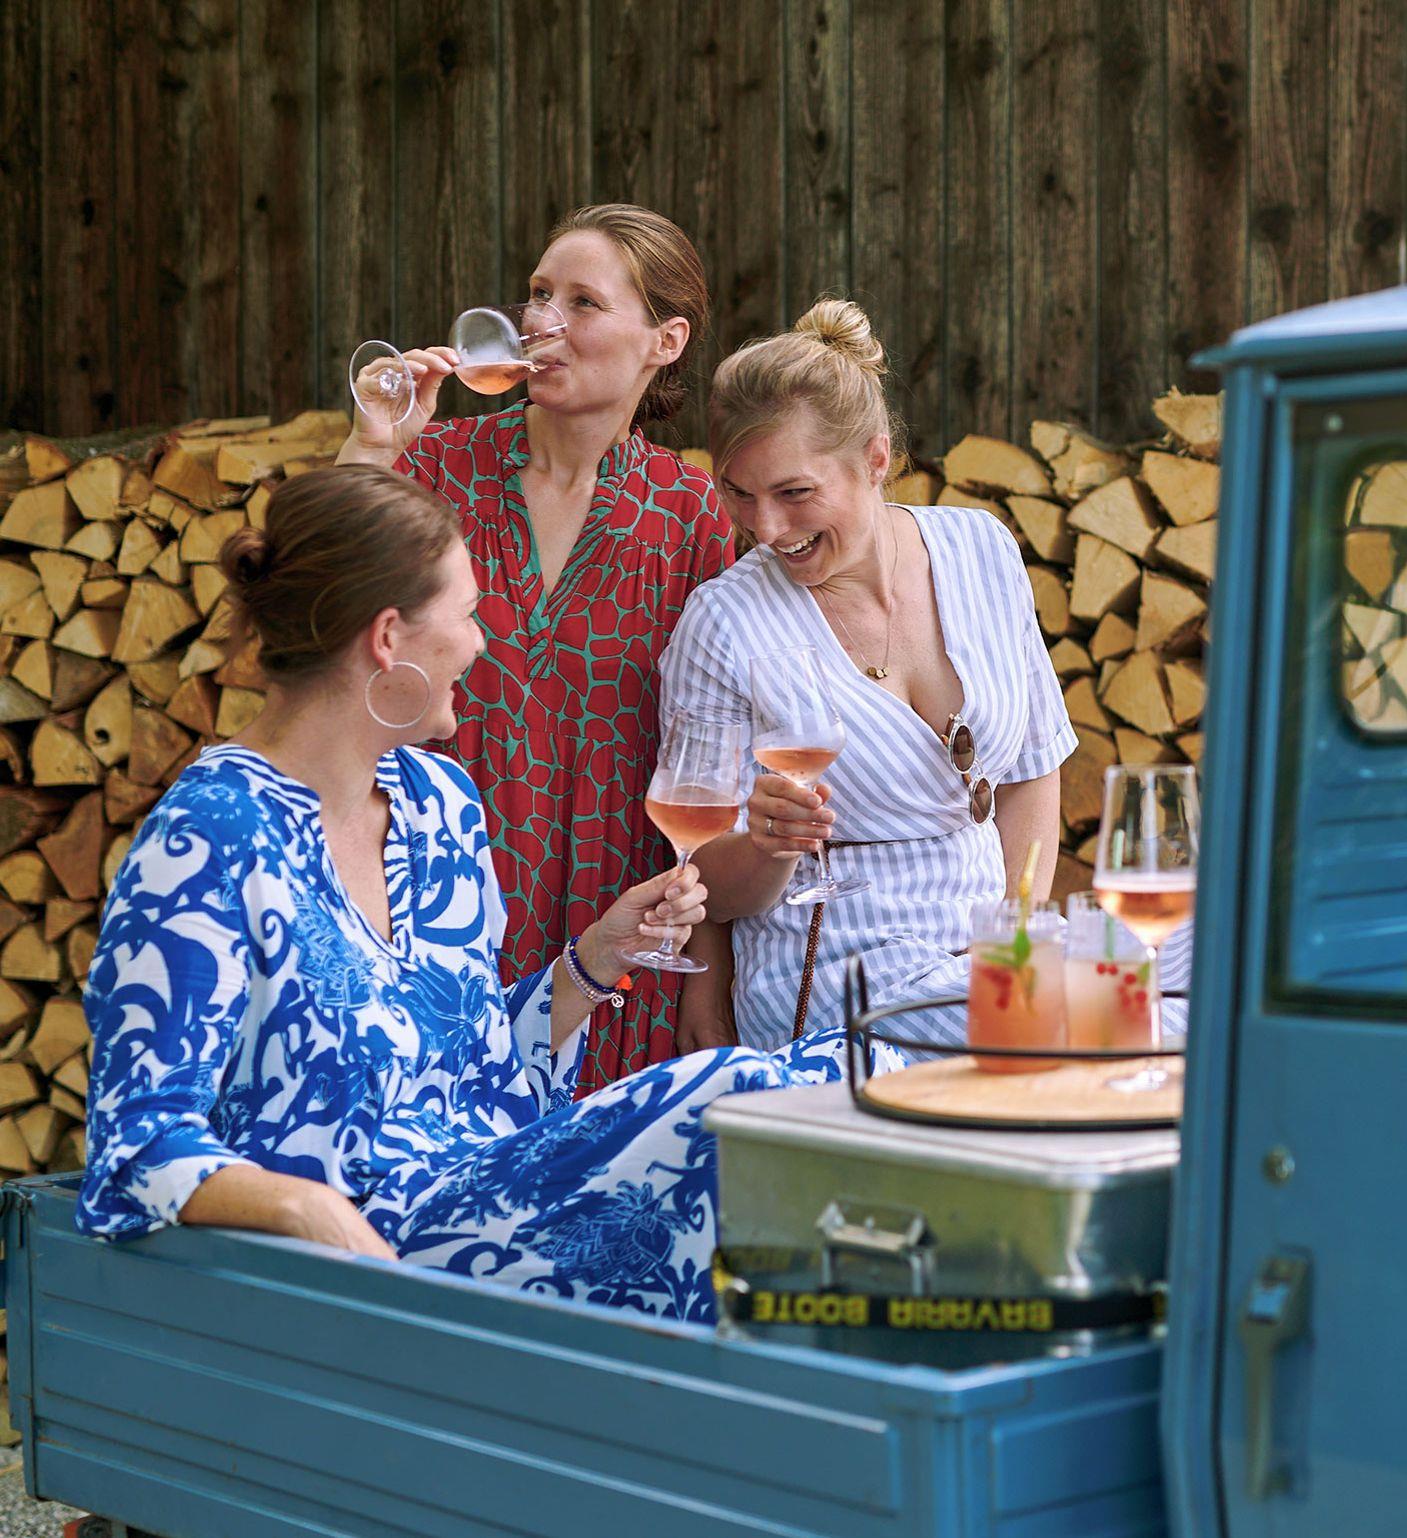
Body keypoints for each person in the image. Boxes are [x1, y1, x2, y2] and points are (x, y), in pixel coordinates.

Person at [78, 466, 877, 1323]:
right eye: (465, 615)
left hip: (495, 1202)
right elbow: (137, 1142)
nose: (481, 643)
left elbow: (483, 1069)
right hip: (361, 1258)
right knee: (727, 1103)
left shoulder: (438, 804)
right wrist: (306, 1208)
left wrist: (595, 959)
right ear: (388, 638)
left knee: (844, 1072)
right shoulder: (208, 837)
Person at [337, 203, 735, 1090]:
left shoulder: (689, 515)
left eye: (582, 302)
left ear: (664, 341)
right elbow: (320, 611)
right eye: (538, 293)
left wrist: (706, 972)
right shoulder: (436, 467)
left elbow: (711, 756)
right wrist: (371, 449)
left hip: (619, 925)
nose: (541, 320)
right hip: (434, 904)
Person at [662, 300, 1076, 1048]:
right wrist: (765, 847)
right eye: (739, 493)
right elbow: (705, 878)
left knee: (1170, 1004)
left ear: (876, 459)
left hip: (983, 961)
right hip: (835, 971)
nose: (766, 528)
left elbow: (1032, 774)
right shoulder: (723, 621)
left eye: (794, 493)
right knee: (1079, 1036)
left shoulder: (983, 548)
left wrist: (1013, 948)